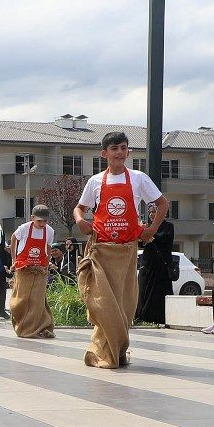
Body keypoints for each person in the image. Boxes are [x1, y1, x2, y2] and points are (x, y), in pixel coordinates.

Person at [73, 132, 168, 368]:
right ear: (104, 153)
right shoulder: (95, 181)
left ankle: (116, 349)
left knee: (124, 305)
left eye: (124, 148)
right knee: (103, 302)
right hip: (101, 250)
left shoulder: (138, 178)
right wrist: (80, 221)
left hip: (126, 251)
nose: (119, 153)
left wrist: (152, 229)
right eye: (114, 148)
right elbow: (79, 208)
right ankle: (109, 350)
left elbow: (162, 203)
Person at [9, 204, 56, 338]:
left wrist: (46, 267)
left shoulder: (50, 231)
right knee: (21, 300)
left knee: (38, 301)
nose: (42, 224)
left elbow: (48, 248)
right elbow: (13, 238)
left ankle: (42, 327)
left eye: (45, 221)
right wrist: (14, 260)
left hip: (40, 270)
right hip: (24, 269)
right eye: (39, 221)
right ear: (32, 218)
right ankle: (23, 326)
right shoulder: (24, 228)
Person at [134, 202, 175, 325]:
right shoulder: (148, 227)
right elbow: (141, 242)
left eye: (154, 212)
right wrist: (142, 233)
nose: (152, 215)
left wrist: (147, 233)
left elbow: (161, 239)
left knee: (158, 291)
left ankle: (157, 317)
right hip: (148, 263)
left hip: (160, 265)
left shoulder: (168, 226)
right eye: (150, 212)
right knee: (143, 288)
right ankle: (141, 316)